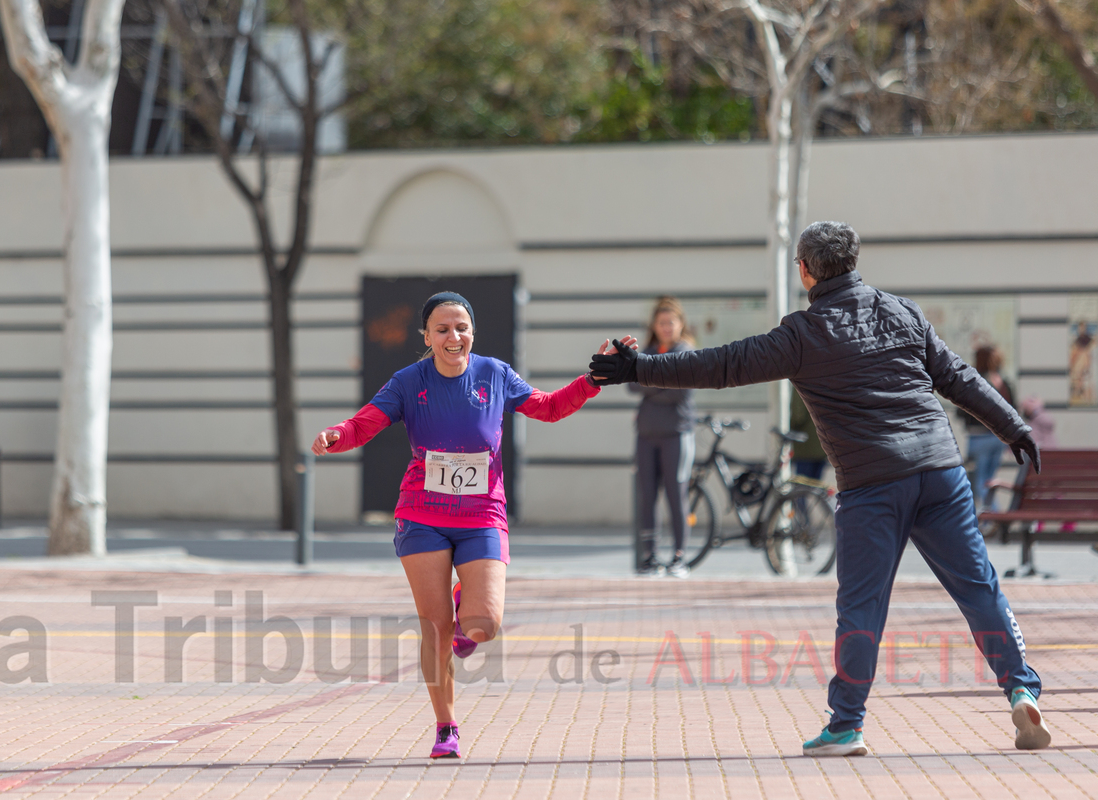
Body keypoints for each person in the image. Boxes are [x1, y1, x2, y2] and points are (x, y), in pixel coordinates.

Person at [591, 221, 1049, 756]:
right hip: (939, 472)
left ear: (806, 270)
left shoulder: (803, 334)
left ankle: (847, 725)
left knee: (862, 606)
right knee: (978, 587)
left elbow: (721, 365)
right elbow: (959, 377)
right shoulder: (903, 311)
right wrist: (1013, 427)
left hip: (871, 484)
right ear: (854, 262)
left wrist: (637, 367)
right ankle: (1020, 687)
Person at [311, 292, 630, 760]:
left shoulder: (495, 374)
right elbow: (363, 425)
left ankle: (467, 605)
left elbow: (547, 406)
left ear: (472, 333)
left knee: (483, 624)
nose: (453, 337)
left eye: (461, 327)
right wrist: (335, 436)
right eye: (442, 329)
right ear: (426, 337)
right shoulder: (408, 382)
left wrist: (592, 380)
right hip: (422, 514)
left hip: (482, 514)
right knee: (436, 628)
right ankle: (446, 726)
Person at [630, 297, 696, 577]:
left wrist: (650, 384)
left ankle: (679, 557)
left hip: (676, 435)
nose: (666, 327)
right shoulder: (646, 352)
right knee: (647, 496)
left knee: (675, 495)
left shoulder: (687, 353)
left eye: (671, 322)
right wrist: (663, 381)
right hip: (646, 435)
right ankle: (650, 557)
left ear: (681, 324)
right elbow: (632, 385)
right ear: (654, 326)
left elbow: (680, 391)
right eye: (661, 323)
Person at [958, 345, 1015, 510]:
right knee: (989, 480)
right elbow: (1013, 410)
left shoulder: (975, 382)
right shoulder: (1005, 383)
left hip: (978, 437)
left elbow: (963, 410)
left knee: (979, 481)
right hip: (998, 439)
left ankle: (994, 517)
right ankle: (991, 518)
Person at [789, 390, 827, 482]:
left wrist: (789, 427)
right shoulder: (825, 381)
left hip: (806, 444)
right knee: (815, 488)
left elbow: (798, 417)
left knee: (802, 488)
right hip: (823, 444)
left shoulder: (799, 382)